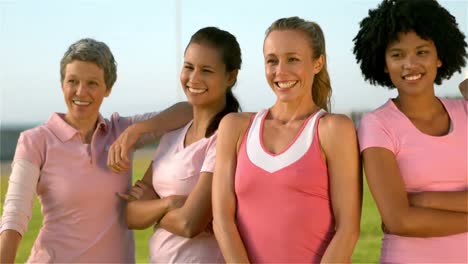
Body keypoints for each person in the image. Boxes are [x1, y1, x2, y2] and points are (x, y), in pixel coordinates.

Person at [0, 38, 192, 263]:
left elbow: (188, 111)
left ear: (108, 88)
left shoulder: (121, 130)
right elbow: (15, 215)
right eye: (73, 81)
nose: (81, 92)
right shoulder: (35, 141)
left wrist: (135, 132)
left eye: (92, 83)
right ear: (62, 84)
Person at [212, 16, 361, 263]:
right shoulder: (235, 127)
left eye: (293, 59)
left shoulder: (333, 129)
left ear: (317, 63)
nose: (280, 71)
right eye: (272, 61)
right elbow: (222, 220)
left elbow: (348, 230)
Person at [353, 0, 468, 262]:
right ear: (383, 63)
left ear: (439, 57)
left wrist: (423, 200)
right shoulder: (376, 125)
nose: (410, 64)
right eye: (397, 55)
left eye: (422, 52)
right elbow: (399, 220)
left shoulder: (465, 111)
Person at [116, 27, 241, 263]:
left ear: (230, 77)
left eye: (206, 70)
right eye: (188, 67)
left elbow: (190, 223)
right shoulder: (174, 132)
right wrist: (171, 203)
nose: (193, 78)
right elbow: (130, 215)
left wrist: (151, 208)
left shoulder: (223, 138)